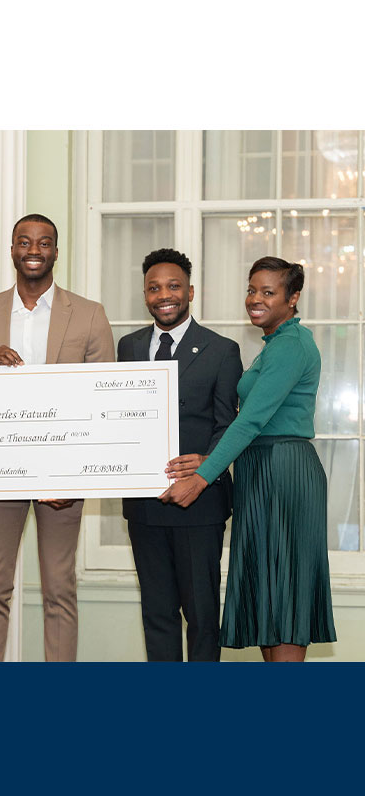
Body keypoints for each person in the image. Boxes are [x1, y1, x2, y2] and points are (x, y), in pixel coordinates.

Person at [0, 213, 115, 662]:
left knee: (59, 589)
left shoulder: (89, 314)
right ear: (11, 250)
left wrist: (76, 476)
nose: (33, 250)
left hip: (61, 478)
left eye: (44, 243)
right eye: (24, 242)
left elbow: (103, 403)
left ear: (56, 253)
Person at [160, 256, 337, 662]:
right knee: (268, 597)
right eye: (252, 289)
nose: (255, 299)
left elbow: (251, 421)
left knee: (285, 595)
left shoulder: (292, 345)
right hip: (262, 469)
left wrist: (202, 476)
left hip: (284, 472)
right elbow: (251, 423)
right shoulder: (275, 344)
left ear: (293, 299)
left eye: (268, 292)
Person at [118, 248, 243, 662]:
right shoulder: (129, 346)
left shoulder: (221, 350)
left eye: (173, 286)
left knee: (203, 616)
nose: (164, 295)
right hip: (144, 505)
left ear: (191, 291)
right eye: (154, 288)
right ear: (145, 295)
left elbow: (229, 425)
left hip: (199, 505)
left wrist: (205, 467)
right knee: (157, 615)